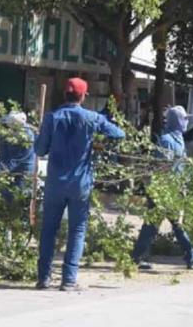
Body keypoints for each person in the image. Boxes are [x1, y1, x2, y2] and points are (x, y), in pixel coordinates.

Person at [35, 78, 125, 291]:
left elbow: (39, 150)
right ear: (83, 96)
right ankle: (68, 280)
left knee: (48, 230)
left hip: (55, 183)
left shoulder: (51, 118)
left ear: (64, 95)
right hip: (80, 183)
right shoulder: (91, 118)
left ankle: (43, 278)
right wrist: (98, 144)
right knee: (77, 230)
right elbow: (119, 134)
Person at [131, 106, 193, 270]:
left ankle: (138, 257)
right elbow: (162, 166)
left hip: (172, 189)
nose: (187, 122)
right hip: (165, 190)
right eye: (184, 118)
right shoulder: (167, 140)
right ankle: (191, 256)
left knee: (158, 224)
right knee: (169, 224)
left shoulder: (178, 138)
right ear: (177, 120)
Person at [0, 111, 37, 203]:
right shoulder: (9, 132)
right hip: (8, 172)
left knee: (17, 202)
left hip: (22, 175)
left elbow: (15, 162)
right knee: (4, 202)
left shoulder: (26, 137)